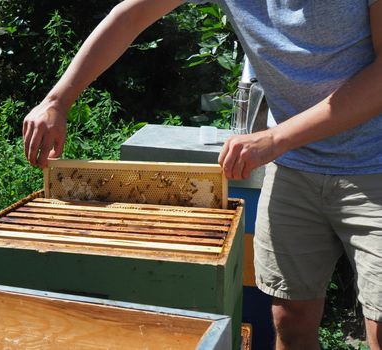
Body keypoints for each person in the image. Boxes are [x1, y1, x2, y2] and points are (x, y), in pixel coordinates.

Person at [23, 0, 382, 348]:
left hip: (375, 165)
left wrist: (276, 138)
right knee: (289, 321)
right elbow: (130, 16)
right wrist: (57, 100)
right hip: (294, 167)